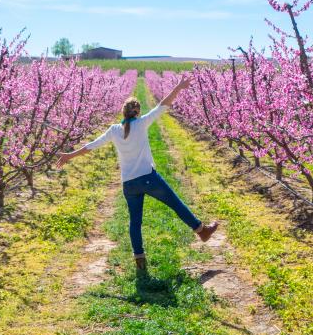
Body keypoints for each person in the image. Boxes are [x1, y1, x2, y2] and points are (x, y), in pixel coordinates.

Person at [56, 78, 218, 270]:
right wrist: (178, 87)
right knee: (175, 203)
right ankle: (201, 230)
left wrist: (69, 156)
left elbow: (91, 146)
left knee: (135, 221)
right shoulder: (141, 123)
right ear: (137, 112)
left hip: (129, 184)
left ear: (123, 112)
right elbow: (162, 105)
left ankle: (139, 258)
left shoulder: (114, 130)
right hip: (148, 178)